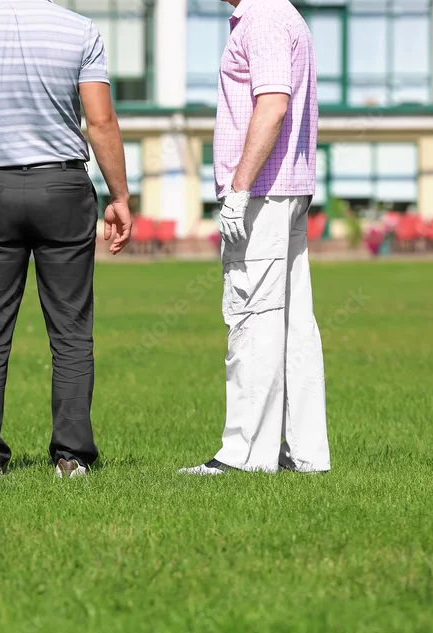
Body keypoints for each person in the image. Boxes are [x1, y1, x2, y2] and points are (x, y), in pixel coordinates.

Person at [0, 0, 133, 479]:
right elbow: (100, 121)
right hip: (63, 188)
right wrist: (120, 195)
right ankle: (71, 458)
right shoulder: (80, 30)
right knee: (71, 330)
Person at [180, 0, 331, 475]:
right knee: (292, 324)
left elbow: (273, 104)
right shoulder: (283, 14)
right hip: (285, 187)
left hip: (263, 192)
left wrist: (239, 188)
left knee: (252, 317)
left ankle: (244, 455)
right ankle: (304, 453)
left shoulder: (262, 19)